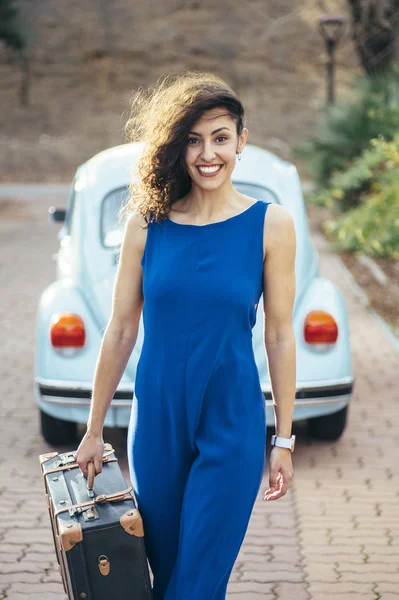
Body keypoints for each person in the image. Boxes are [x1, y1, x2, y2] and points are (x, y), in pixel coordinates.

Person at [74, 71, 296, 600]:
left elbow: (281, 336)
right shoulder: (146, 225)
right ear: (177, 147)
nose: (207, 154)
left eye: (220, 137)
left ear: (242, 140)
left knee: (197, 582)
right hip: (156, 423)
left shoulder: (271, 224)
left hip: (233, 420)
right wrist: (92, 427)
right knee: (166, 573)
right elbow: (121, 329)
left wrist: (283, 438)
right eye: (193, 140)